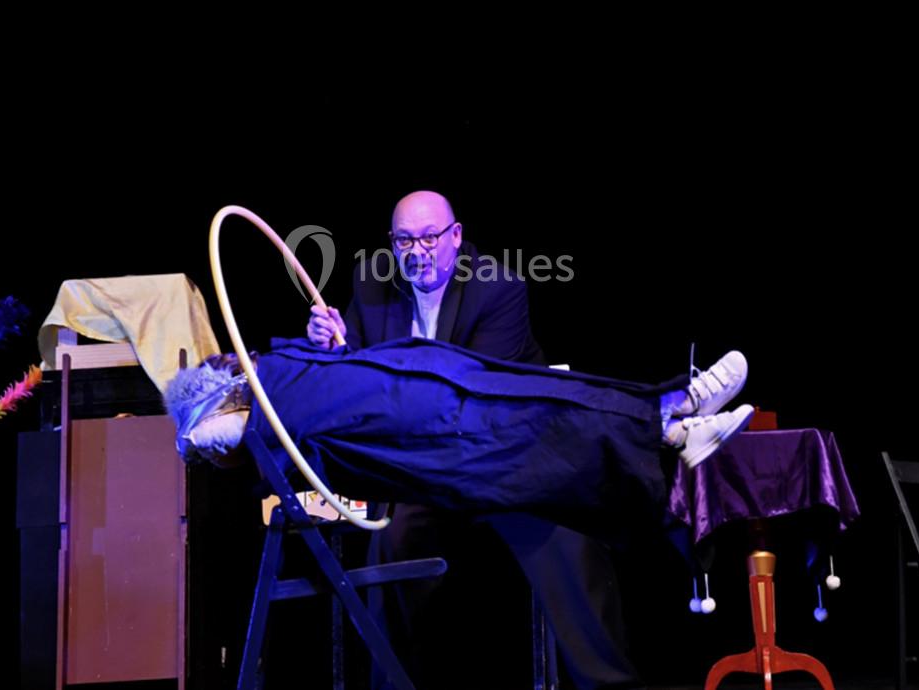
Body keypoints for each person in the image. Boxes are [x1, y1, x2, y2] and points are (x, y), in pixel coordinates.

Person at [300, 191, 749, 690]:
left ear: (456, 237)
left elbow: (468, 393)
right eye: (404, 240)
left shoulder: (496, 287)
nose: (416, 251)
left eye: (429, 238)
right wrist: (332, 347)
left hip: (504, 461)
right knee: (391, 541)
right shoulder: (371, 286)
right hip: (429, 470)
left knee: (564, 535)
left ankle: (611, 683)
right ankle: (670, 419)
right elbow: (357, 381)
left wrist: (379, 380)